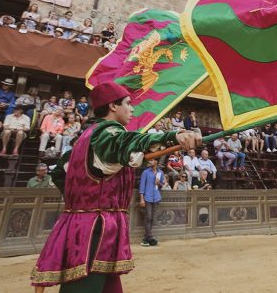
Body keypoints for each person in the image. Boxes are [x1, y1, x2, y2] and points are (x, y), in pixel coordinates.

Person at [30, 81, 201, 292]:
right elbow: (126, 142)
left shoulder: (86, 136)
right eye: (128, 103)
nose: (132, 108)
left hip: (84, 223)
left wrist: (81, 201)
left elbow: (59, 172)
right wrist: (173, 135)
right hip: (96, 228)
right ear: (113, 106)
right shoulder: (107, 134)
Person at [139, 159, 164, 247]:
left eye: (152, 160)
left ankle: (146, 238)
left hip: (156, 197)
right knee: (148, 217)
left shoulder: (160, 172)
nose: (150, 161)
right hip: (147, 197)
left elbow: (162, 185)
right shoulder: (145, 172)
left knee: (152, 218)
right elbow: (142, 186)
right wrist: (141, 199)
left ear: (156, 162)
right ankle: (150, 237)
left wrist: (159, 183)